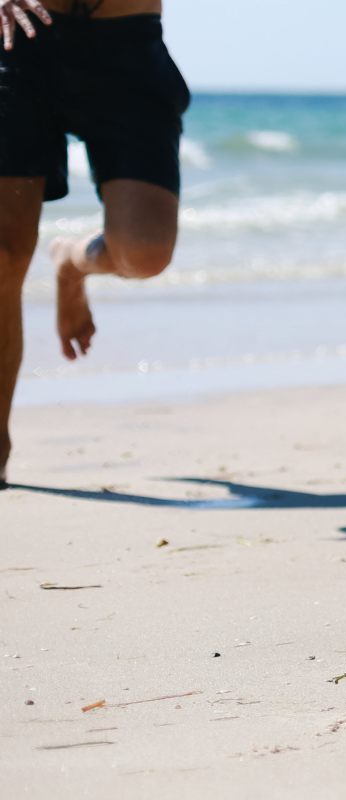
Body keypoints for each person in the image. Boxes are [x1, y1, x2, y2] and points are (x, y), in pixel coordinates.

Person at [0, 0, 185, 487]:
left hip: (122, 37)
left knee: (144, 252)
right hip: (16, 31)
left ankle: (71, 262)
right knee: (2, 253)